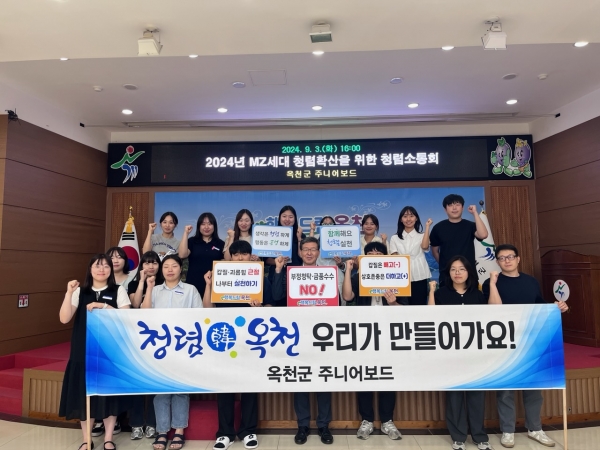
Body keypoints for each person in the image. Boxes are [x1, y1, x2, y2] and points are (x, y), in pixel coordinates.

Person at [483, 244, 568, 449]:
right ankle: (508, 431)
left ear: (518, 259)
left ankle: (535, 428)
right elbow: (493, 310)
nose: (507, 260)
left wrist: (557, 307)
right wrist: (493, 283)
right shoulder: (490, 282)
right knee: (506, 389)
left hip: (530, 340)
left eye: (510, 257)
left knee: (533, 388)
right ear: (497, 261)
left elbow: (540, 305)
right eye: (502, 258)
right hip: (504, 341)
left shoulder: (531, 281)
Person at [204, 240, 283, 450]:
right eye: (236, 254)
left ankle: (248, 430)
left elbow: (270, 306)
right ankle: (225, 433)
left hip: (251, 337)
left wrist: (259, 308)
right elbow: (207, 308)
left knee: (249, 384)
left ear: (251, 256)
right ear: (230, 257)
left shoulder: (259, 277)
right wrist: (209, 284)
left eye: (244, 254)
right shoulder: (220, 276)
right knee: (225, 386)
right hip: (226, 336)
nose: (240, 258)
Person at [59, 254, 131, 450]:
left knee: (109, 396)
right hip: (83, 351)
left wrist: (104, 306)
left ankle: (108, 438)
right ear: (90, 270)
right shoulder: (80, 291)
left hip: (110, 351)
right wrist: (68, 293)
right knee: (85, 396)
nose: (101, 270)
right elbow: (64, 318)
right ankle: (86, 439)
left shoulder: (118, 290)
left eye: (106, 266)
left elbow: (127, 317)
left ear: (110, 270)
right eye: (97, 266)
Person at [342, 241, 405, 441]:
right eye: (370, 254)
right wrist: (348, 270)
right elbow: (347, 296)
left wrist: (393, 303)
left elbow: (406, 311)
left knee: (388, 375)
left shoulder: (397, 277)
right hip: (364, 334)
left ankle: (387, 420)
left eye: (379, 254)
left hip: (388, 334)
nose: (375, 257)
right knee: (365, 376)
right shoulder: (358, 277)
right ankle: (367, 420)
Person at [428, 256, 492, 450]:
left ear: (468, 272)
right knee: (454, 396)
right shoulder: (442, 294)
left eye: (462, 269)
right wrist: (431, 292)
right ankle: (458, 437)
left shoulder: (477, 295)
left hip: (475, 352)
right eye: (453, 269)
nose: (457, 273)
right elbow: (430, 316)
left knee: (476, 395)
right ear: (448, 273)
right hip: (451, 353)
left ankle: (479, 436)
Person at [142, 254, 203, 450]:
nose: (170, 269)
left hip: (183, 344)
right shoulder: (154, 289)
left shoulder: (190, 290)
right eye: (166, 266)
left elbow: (199, 316)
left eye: (174, 266)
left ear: (181, 269)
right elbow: (144, 313)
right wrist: (149, 287)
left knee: (180, 390)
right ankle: (162, 432)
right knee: (160, 390)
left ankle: (178, 431)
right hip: (159, 345)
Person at [292, 237, 344, 445]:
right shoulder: (292, 273)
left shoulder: (328, 274)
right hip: (298, 333)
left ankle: (323, 425)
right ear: (300, 252)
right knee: (300, 380)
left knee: (323, 379)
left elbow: (337, 302)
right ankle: (303, 425)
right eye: (306, 249)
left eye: (313, 249)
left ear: (318, 252)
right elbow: (280, 298)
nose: (309, 253)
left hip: (323, 334)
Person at [126, 251, 164, 440]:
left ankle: (152, 424)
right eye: (147, 263)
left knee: (156, 381)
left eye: (154, 263)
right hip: (138, 335)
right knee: (138, 381)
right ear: (141, 266)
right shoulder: (133, 284)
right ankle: (136, 424)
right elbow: (135, 304)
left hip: (161, 337)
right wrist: (142, 281)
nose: (151, 266)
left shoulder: (164, 284)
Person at [429, 194, 488, 281]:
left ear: (462, 207)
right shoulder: (438, 228)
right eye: (450, 205)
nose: (454, 208)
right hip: (447, 274)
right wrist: (445, 264)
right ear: (445, 209)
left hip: (468, 272)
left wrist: (475, 213)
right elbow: (435, 251)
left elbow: (483, 235)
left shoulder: (470, 226)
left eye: (457, 205)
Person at [389, 206, 432, 305]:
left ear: (416, 218)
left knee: (419, 304)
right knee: (402, 304)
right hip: (401, 276)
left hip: (419, 274)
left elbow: (425, 247)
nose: (408, 219)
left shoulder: (422, 235)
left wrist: (427, 227)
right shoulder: (395, 238)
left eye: (411, 216)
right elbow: (394, 258)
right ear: (401, 219)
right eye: (405, 216)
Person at [179, 212, 225, 299]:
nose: (206, 227)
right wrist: (186, 233)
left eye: (210, 224)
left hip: (213, 284)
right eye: (203, 224)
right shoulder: (192, 241)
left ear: (214, 226)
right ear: (198, 226)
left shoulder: (220, 243)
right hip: (193, 283)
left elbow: (226, 261)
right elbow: (182, 254)